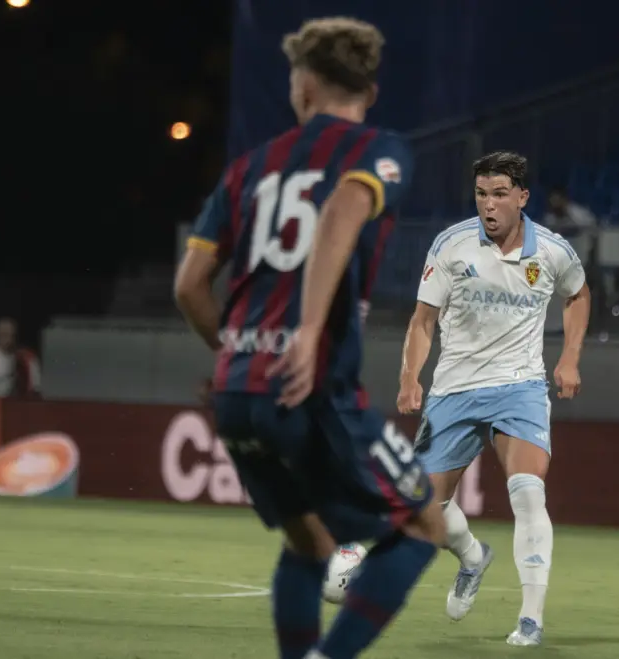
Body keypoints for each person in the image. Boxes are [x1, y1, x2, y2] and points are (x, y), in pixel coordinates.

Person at [173, 18, 445, 659]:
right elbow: (347, 208)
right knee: (423, 526)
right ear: (369, 92)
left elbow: (189, 287)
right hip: (312, 383)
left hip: (238, 388)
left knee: (307, 543)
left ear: (303, 86)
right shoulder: (382, 150)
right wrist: (306, 332)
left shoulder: (249, 168)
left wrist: (237, 354)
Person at [397, 151, 590, 646]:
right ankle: (472, 557)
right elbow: (422, 320)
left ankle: (530, 618)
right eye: (482, 194)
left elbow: (578, 294)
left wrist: (569, 357)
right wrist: (409, 376)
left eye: (500, 194)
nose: (489, 204)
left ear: (522, 197)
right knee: (425, 507)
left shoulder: (552, 251)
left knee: (528, 492)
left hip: (520, 387)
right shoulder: (452, 245)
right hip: (454, 389)